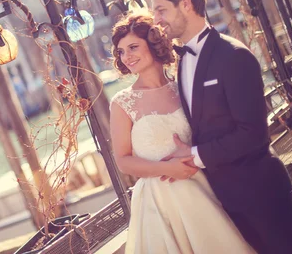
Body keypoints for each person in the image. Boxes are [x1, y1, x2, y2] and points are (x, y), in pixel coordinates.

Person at [146, 0, 292, 254]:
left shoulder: (234, 56)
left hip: (259, 190)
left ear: (185, 3)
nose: (156, 20)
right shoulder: (182, 60)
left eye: (160, 10)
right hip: (221, 196)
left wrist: (194, 155)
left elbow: (254, 134)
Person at [109, 13, 254, 254]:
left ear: (153, 44)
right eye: (121, 51)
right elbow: (123, 161)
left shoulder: (183, 87)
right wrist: (168, 168)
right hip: (161, 202)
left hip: (206, 187)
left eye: (133, 47)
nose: (127, 56)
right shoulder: (123, 103)